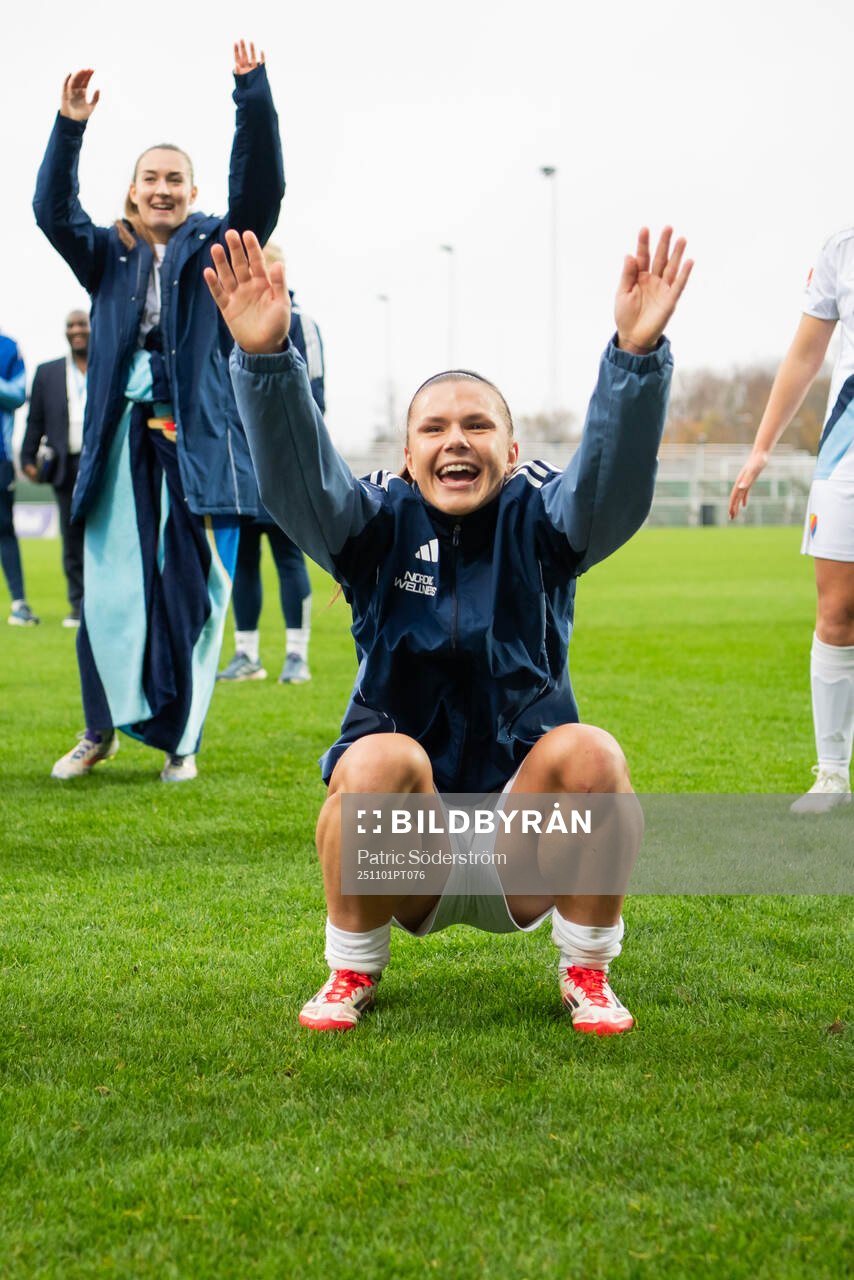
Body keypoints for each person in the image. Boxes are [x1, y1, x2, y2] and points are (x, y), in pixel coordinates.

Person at [206, 225, 692, 1035]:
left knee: (593, 753)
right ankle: (351, 971)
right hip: (408, 852)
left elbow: (606, 493)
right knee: (375, 759)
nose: (455, 440)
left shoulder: (540, 518)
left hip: (524, 847)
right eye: (434, 427)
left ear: (512, 444)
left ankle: (587, 969)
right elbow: (298, 483)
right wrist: (266, 362)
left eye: (476, 425)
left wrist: (634, 362)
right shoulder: (373, 523)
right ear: (406, 452)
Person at [34, 42, 283, 783]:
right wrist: (68, 125)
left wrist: (252, 99)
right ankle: (98, 731)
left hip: (201, 446)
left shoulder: (217, 244)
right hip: (118, 446)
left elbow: (262, 189)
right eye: (151, 179)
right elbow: (50, 209)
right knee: (109, 592)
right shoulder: (105, 252)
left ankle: (184, 740)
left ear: (193, 189)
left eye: (175, 178)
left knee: (195, 599)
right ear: (134, 190)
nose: (163, 189)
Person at [728, 230, 854, 814]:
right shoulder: (841, 247)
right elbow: (806, 353)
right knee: (838, 610)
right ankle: (831, 775)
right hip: (847, 451)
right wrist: (761, 448)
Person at [217, 244, 324, 685]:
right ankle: (247, 655)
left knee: (289, 559)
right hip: (238, 465)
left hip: (284, 463)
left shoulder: (302, 324)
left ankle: (296, 657)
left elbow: (315, 394)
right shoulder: (226, 320)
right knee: (243, 561)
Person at [21, 310, 90, 627]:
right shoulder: (47, 373)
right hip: (65, 465)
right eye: (71, 326)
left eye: (82, 325)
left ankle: (108, 602)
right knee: (72, 537)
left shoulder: (108, 365)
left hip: (102, 463)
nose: (77, 330)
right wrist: (27, 458)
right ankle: (78, 604)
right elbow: (35, 420)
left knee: (107, 536)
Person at [0, 330, 38, 626]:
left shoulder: (8, 347)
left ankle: (19, 603)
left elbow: (16, 395)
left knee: (4, 529)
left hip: (0, 456)